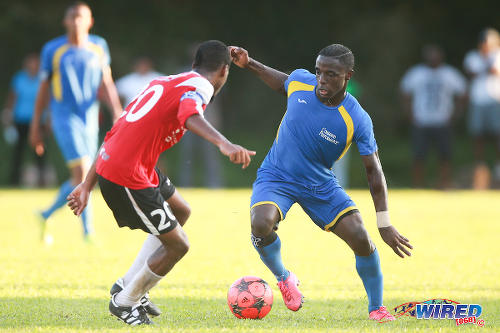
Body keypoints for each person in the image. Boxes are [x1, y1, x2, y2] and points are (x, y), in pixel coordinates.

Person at [67, 40, 256, 326]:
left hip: (130, 162)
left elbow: (117, 130)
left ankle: (126, 285)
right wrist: (224, 143)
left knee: (181, 211)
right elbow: (189, 114)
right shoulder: (202, 86)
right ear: (223, 71)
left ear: (194, 64)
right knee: (178, 245)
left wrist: (86, 183)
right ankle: (125, 302)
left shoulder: (167, 80)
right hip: (126, 172)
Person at [230, 44, 413, 321]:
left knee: (361, 239)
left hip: (320, 185)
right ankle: (284, 278)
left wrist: (385, 222)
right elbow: (283, 83)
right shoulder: (303, 83)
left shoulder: (357, 118)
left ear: (347, 76)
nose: (322, 80)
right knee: (260, 222)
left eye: (330, 74)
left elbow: (374, 171)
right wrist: (249, 63)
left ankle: (377, 308)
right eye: (318, 72)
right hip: (277, 175)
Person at [29, 1, 122, 243]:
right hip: (62, 116)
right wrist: (35, 124)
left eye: (81, 16)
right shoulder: (53, 49)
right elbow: (43, 89)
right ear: (65, 21)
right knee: (82, 172)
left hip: (89, 118)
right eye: (72, 16)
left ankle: (46, 214)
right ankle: (88, 232)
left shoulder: (99, 46)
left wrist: (117, 112)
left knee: (88, 174)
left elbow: (107, 83)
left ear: (90, 21)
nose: (76, 21)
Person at [400, 44, 467, 189]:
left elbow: (463, 93)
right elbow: (405, 93)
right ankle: (418, 185)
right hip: (421, 120)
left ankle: (444, 183)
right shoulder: (416, 73)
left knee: (445, 155)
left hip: (442, 120)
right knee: (419, 155)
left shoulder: (449, 73)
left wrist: (456, 114)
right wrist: (410, 115)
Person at [2, 53, 47, 187]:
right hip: (21, 120)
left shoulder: (42, 79)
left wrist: (49, 118)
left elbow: (47, 100)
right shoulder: (19, 79)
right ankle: (14, 182)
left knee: (39, 152)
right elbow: (12, 98)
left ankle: (42, 182)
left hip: (38, 121)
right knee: (18, 152)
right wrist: (7, 114)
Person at [463, 28, 500, 189]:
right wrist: (487, 68)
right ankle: (480, 168)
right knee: (477, 135)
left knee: (497, 135)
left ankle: (498, 168)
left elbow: (495, 71)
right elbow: (471, 72)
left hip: (495, 101)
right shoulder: (473, 56)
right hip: (477, 101)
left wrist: (486, 68)